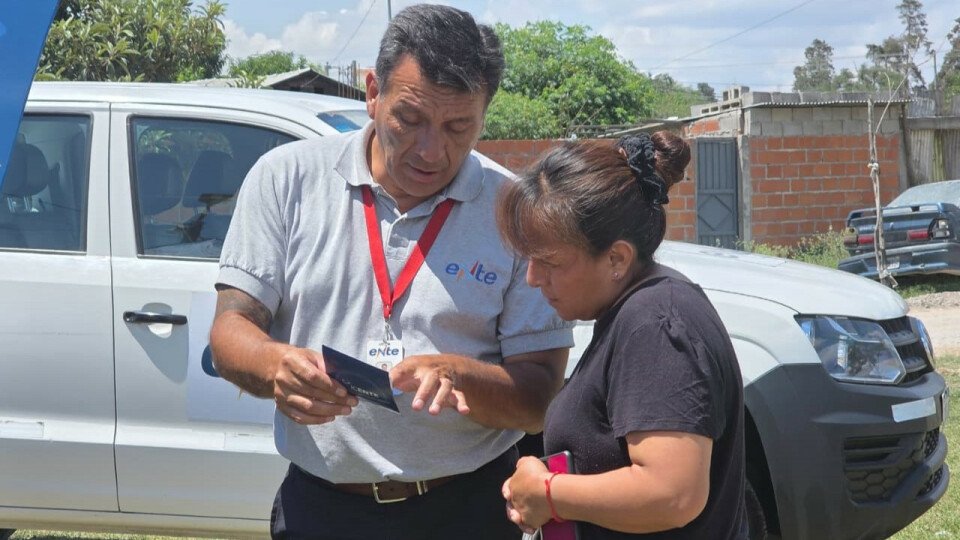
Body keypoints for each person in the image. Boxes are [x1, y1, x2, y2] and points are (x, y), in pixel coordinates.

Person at [209, 4, 573, 539]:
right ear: (373, 92)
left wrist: (461, 376)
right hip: (323, 508)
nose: (432, 150)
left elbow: (539, 397)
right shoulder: (286, 180)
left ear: (484, 114)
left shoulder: (514, 211)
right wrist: (276, 365)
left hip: (465, 509)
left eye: (458, 127)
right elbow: (230, 329)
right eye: (411, 119)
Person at [498, 133, 748, 539]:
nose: (532, 278)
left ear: (617, 258)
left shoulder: (656, 324)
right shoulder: (636, 310)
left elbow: (673, 493)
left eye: (550, 263)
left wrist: (548, 493)